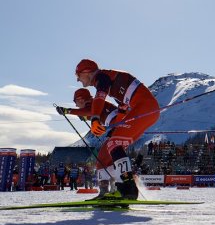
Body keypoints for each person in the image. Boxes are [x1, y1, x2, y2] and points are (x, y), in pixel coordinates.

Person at [73, 59, 160, 200]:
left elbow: (99, 98)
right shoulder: (106, 79)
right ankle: (114, 190)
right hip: (145, 110)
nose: (78, 79)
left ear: (87, 72)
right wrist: (117, 126)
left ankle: (128, 189)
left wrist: (95, 118)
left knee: (114, 144)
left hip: (144, 108)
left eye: (78, 75)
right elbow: (122, 107)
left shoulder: (101, 77)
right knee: (107, 151)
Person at [56, 87, 125, 197]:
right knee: (107, 161)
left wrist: (67, 111)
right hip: (119, 128)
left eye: (75, 102)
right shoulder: (93, 104)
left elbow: (90, 111)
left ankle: (107, 191)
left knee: (101, 160)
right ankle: (114, 189)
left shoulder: (94, 103)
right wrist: (86, 117)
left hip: (119, 128)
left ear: (81, 99)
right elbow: (92, 113)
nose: (76, 105)